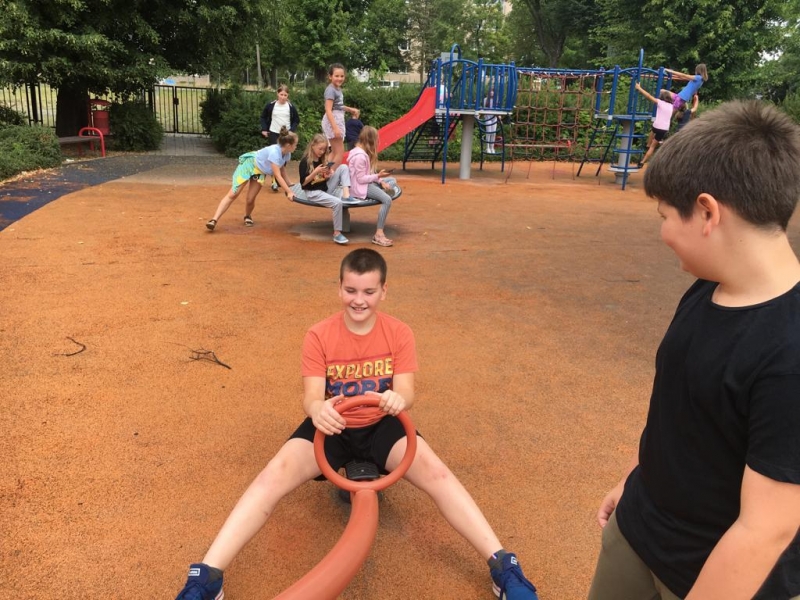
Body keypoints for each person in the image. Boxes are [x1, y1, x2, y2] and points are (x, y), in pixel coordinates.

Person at [174, 248, 541, 600]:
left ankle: (503, 566)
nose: (359, 300)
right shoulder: (319, 334)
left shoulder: (399, 332)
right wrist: (318, 409)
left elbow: (407, 391)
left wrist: (398, 400)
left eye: (368, 291)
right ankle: (208, 576)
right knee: (272, 476)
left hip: (382, 424)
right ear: (339, 288)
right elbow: (311, 396)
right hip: (333, 426)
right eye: (351, 290)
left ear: (384, 291)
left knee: (439, 475)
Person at [587, 100, 800, 600]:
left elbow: (766, 528)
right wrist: (638, 478)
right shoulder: (710, 286)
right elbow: (682, 410)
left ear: (707, 212)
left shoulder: (790, 354)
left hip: (710, 575)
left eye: (665, 216)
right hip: (640, 531)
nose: (663, 232)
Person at [205, 127, 297, 232]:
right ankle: (214, 220)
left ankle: (247, 216)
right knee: (233, 194)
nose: (296, 146)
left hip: (260, 171)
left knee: (250, 199)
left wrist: (289, 184)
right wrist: (289, 192)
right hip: (249, 164)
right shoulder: (274, 153)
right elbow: (278, 175)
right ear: (288, 145)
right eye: (295, 144)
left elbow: (282, 169)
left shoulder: (287, 153)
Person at [297, 133, 354, 244]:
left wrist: (327, 175)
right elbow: (303, 183)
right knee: (337, 203)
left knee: (343, 167)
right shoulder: (305, 161)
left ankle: (346, 195)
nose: (322, 152)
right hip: (313, 192)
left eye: (324, 149)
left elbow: (321, 178)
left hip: (324, 188)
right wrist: (315, 172)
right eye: (320, 149)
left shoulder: (321, 159)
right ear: (313, 145)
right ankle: (337, 233)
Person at [347, 125, 398, 247]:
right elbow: (361, 179)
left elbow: (368, 173)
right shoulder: (360, 156)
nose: (377, 142)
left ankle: (382, 189)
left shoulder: (360, 151)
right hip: (360, 188)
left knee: (392, 180)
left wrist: (381, 181)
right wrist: (378, 176)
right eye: (376, 139)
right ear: (370, 140)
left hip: (365, 184)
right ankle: (378, 234)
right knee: (387, 200)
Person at [260, 84, 300, 192]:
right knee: (274, 157)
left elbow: (296, 120)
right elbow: (263, 117)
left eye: (285, 95)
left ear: (288, 95)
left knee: (283, 158)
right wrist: (264, 129)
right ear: (277, 94)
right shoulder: (271, 105)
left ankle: (279, 180)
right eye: (281, 94)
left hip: (285, 135)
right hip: (273, 133)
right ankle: (274, 181)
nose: (283, 97)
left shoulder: (290, 107)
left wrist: (291, 130)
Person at [321, 63, 360, 170]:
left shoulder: (337, 89)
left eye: (342, 76)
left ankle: (325, 173)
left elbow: (338, 106)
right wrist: (335, 128)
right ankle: (330, 174)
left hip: (337, 119)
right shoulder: (331, 90)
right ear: (330, 76)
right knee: (339, 152)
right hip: (334, 121)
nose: (339, 78)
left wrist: (350, 109)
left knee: (335, 151)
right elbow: (328, 109)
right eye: (336, 76)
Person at [634, 82, 673, 166]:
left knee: (653, 130)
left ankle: (648, 144)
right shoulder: (671, 106)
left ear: (662, 97)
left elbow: (648, 96)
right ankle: (642, 162)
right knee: (653, 147)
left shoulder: (660, 102)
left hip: (657, 126)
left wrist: (639, 88)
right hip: (664, 129)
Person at [481, 88, 499, 154]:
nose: (492, 92)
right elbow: (483, 108)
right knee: (488, 132)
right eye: (491, 91)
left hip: (494, 118)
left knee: (493, 133)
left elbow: (498, 109)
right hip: (488, 117)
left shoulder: (496, 99)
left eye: (493, 91)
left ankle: (492, 147)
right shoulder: (485, 99)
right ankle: (487, 147)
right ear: (489, 92)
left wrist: (499, 115)